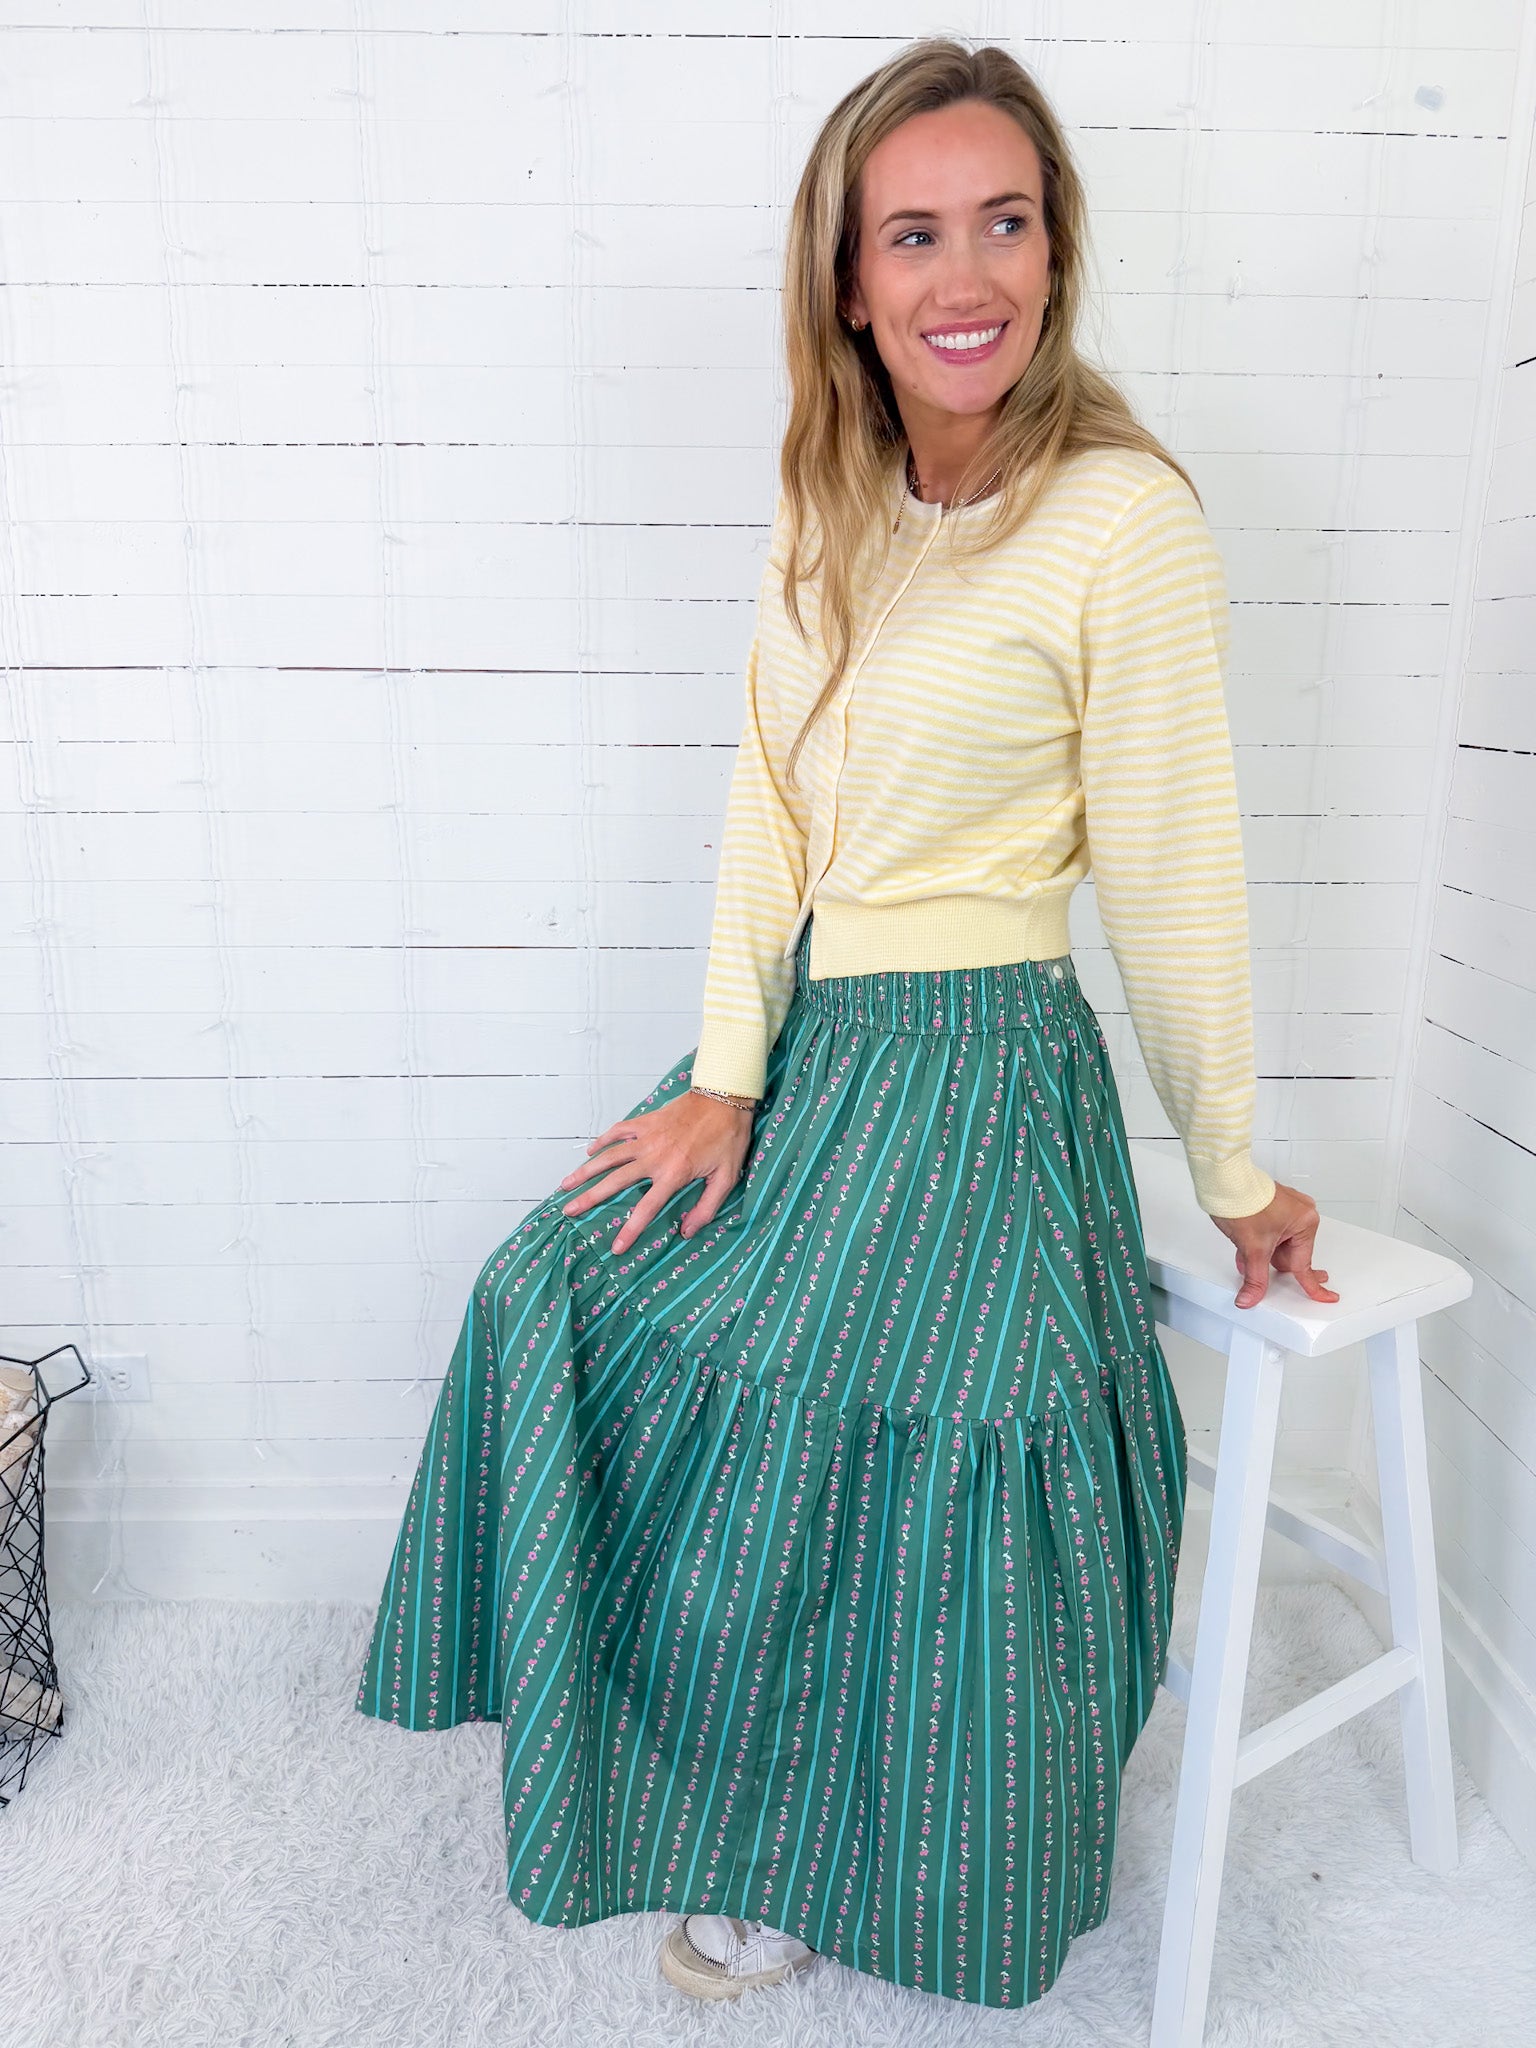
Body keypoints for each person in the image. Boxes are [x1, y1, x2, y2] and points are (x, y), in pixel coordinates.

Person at [354, 34, 1338, 2013]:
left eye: (1006, 221)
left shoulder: (1121, 517)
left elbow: (1170, 870)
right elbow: (767, 813)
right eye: (916, 232)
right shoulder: (834, 505)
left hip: (982, 1077)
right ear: (850, 282)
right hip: (813, 1052)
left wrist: (1230, 1165)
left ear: (1055, 255)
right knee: (558, 1282)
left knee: (891, 1446)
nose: (966, 271)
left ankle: (860, 1851)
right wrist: (726, 1075)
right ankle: (692, 1779)